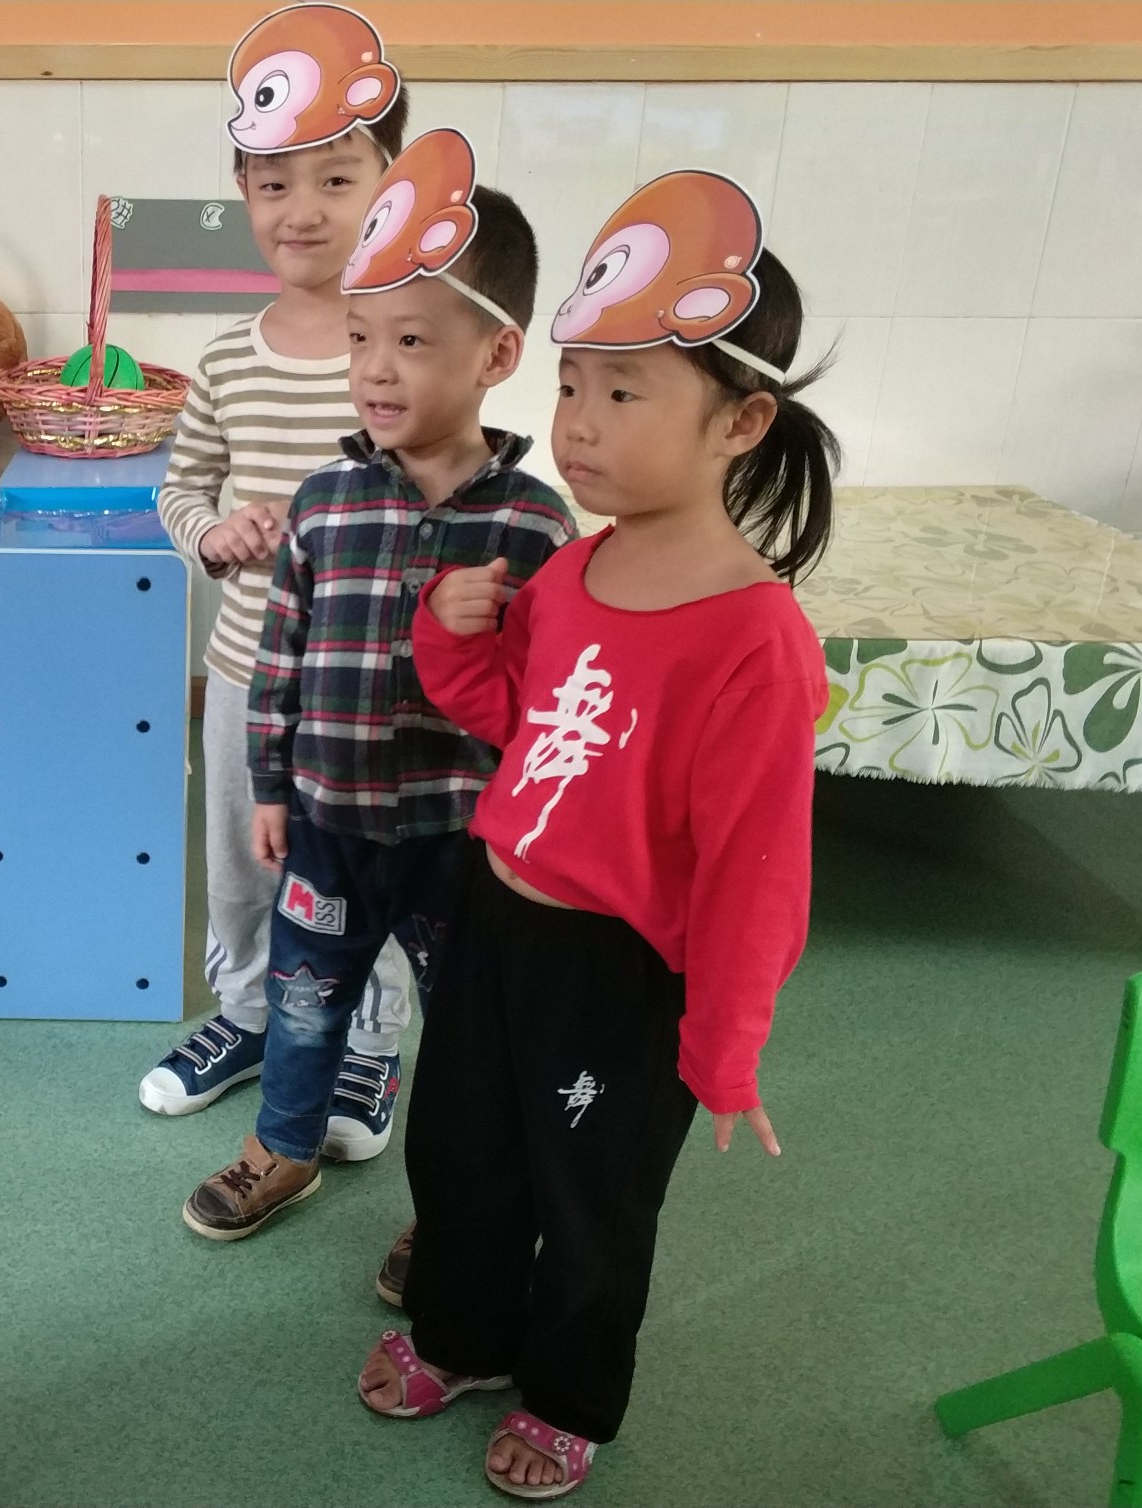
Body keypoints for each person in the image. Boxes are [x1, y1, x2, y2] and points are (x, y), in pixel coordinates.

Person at [357, 173, 835, 1500]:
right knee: (460, 1150)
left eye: (624, 393)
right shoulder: (575, 565)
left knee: (590, 1195)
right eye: (572, 385)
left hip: (619, 975)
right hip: (495, 916)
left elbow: (755, 872)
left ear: (741, 421)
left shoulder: (757, 640)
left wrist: (725, 1045)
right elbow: (522, 726)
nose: (576, 422)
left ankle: (569, 1393)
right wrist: (450, 637)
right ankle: (461, 1337)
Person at [181, 131, 577, 1242]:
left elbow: (550, 703)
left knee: (470, 1029)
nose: (376, 369)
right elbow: (280, 659)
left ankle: (452, 1211)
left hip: (465, 840)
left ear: (497, 354)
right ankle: (284, 1148)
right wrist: (270, 787)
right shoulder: (324, 502)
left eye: (411, 340)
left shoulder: (537, 524)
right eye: (362, 338)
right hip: (329, 825)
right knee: (305, 1002)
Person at [144, 7, 416, 1162]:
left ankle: (368, 1040)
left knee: (366, 871)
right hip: (245, 673)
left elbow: (442, 490)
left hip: (370, 692)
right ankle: (253, 1012)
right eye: (272, 184)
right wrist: (213, 537)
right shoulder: (224, 357)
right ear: (243, 195)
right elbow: (180, 489)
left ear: (390, 183)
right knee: (243, 868)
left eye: (337, 178)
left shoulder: (404, 348)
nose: (302, 209)